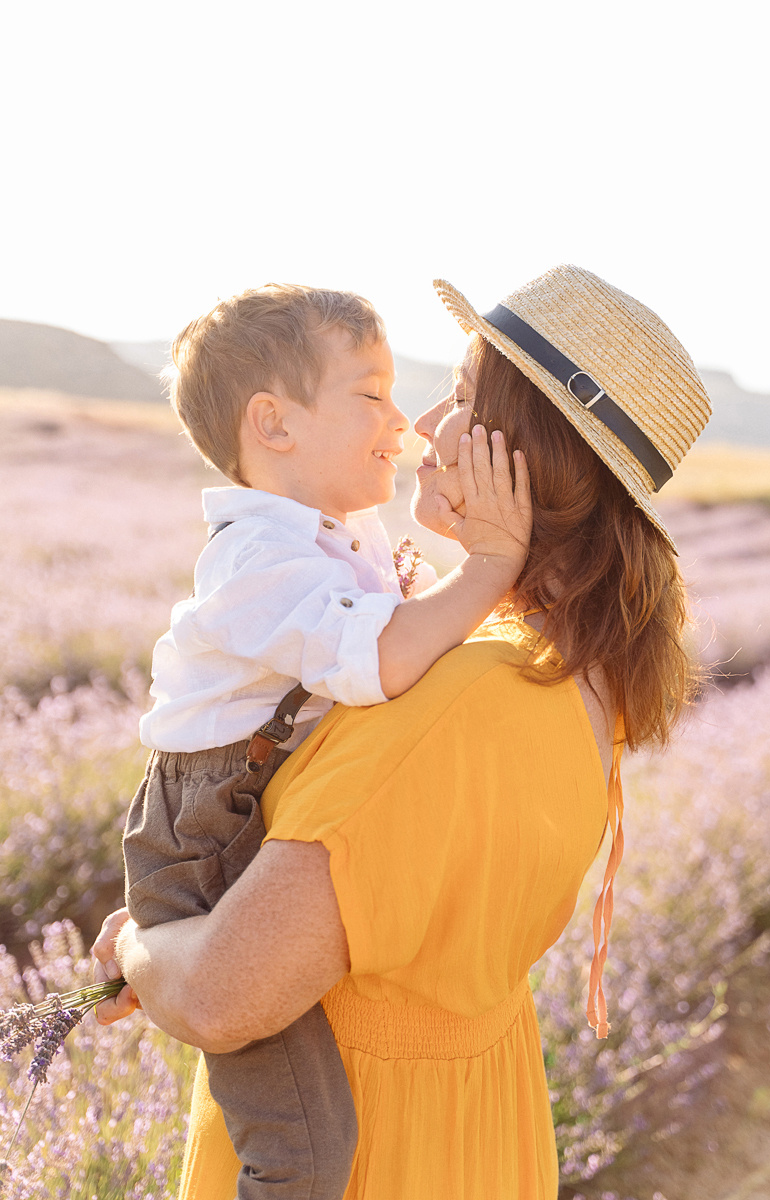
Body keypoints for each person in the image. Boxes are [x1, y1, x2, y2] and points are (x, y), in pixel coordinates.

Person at [94, 264, 712, 1200]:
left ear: (530, 454)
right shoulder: (554, 661)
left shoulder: (457, 701)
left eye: (460, 398)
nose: (418, 426)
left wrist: (148, 942)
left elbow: (222, 993)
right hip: (472, 1129)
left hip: (379, 1149)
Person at [120, 282, 532, 1200]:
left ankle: (156, 945)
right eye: (371, 394)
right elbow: (380, 660)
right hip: (208, 838)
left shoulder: (344, 532)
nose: (405, 421)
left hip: (245, 815)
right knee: (303, 1147)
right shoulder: (256, 560)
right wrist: (496, 567)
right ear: (274, 426)